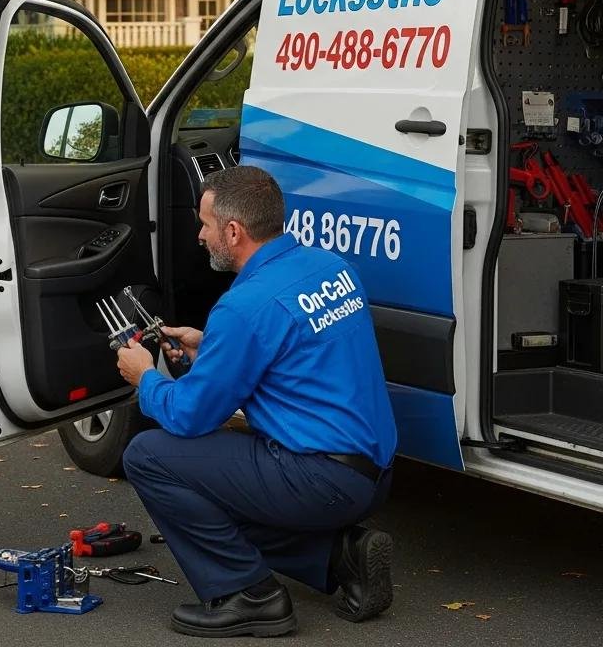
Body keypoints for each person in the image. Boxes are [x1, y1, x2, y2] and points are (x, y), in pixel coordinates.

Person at [116, 165, 398, 637]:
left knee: (149, 457)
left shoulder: (243, 307)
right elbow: (295, 359)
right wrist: (211, 348)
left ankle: (250, 595)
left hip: (320, 479)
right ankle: (338, 558)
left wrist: (144, 377)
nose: (200, 236)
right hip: (375, 472)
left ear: (233, 230)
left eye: (205, 225)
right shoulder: (329, 266)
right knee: (212, 491)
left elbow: (190, 416)